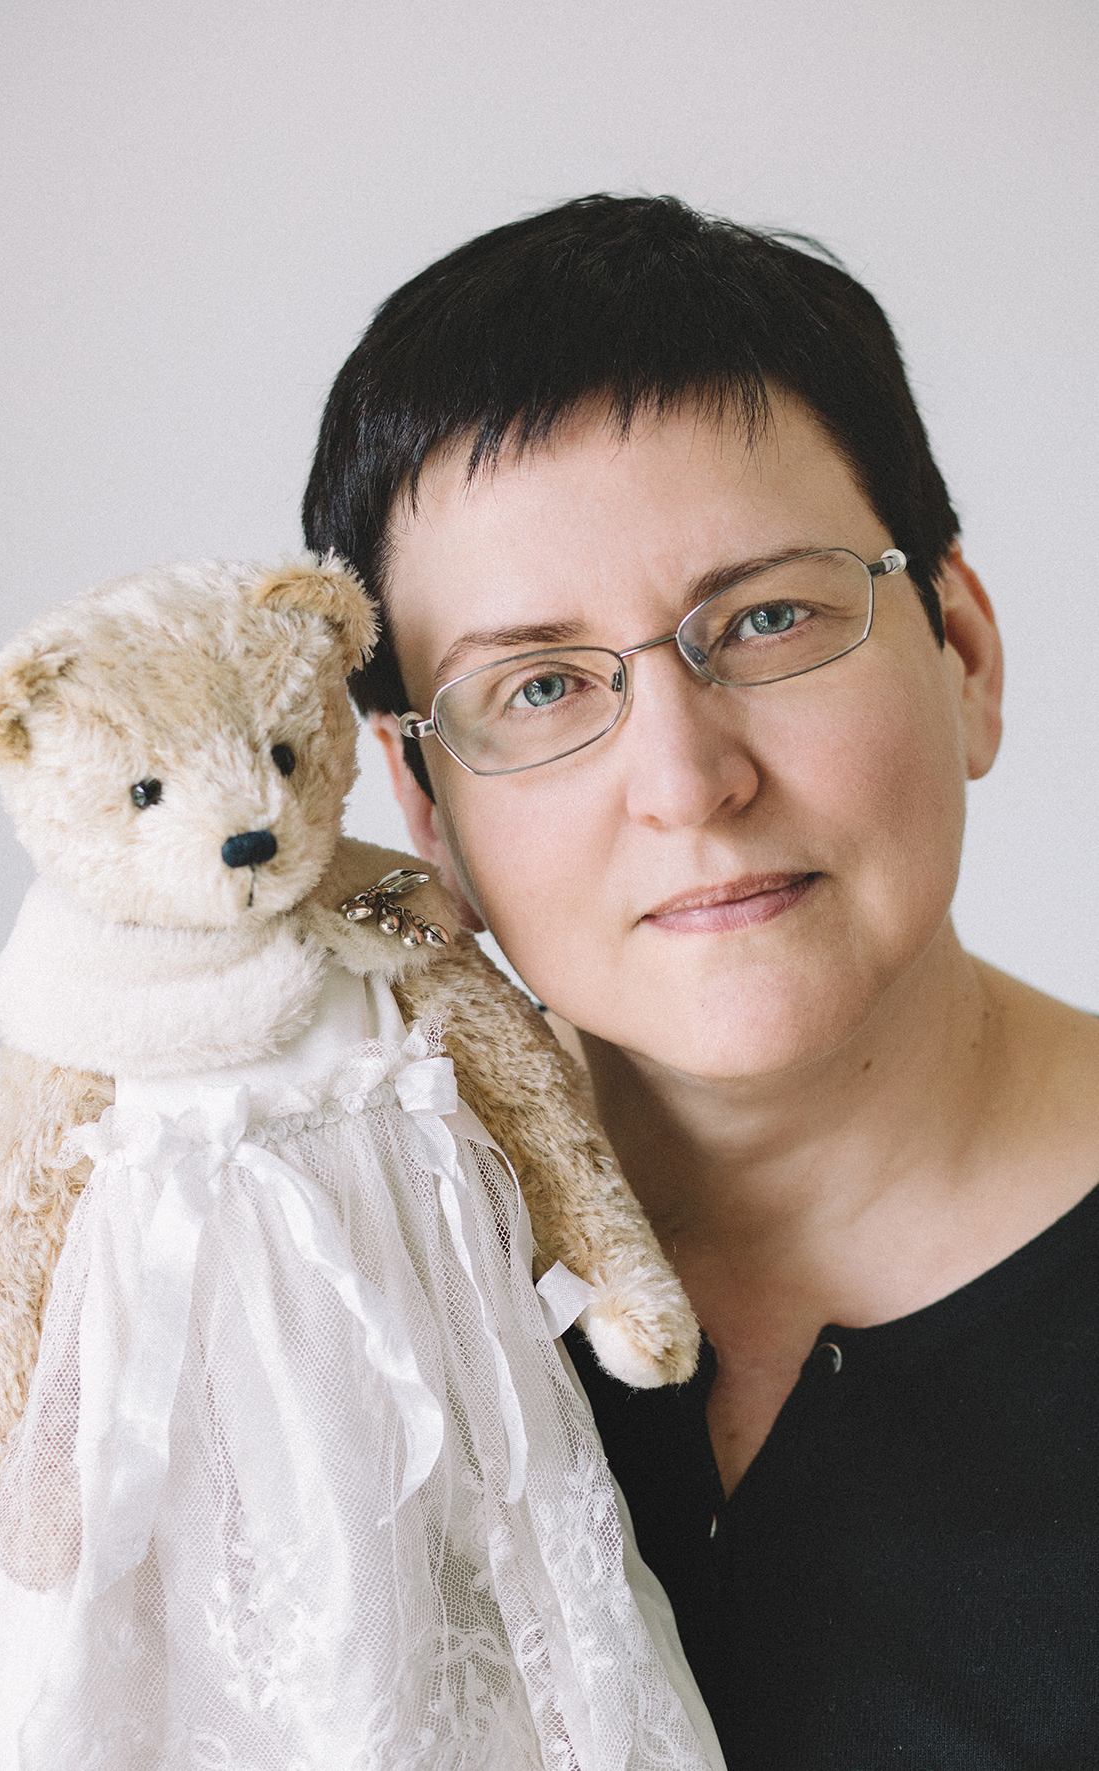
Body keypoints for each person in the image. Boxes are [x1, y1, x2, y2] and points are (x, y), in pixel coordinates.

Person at [303, 193, 1099, 1768]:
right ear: (423, 806)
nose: (684, 783)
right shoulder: (282, 1277)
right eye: (537, 686)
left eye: (767, 619)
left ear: (961, 652)